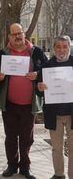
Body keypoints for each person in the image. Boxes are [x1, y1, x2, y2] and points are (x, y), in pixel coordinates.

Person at [0, 23, 47, 179]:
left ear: (24, 34)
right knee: (10, 137)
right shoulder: (3, 53)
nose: (17, 36)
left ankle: (25, 167)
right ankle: (12, 165)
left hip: (29, 104)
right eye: (14, 34)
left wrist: (37, 74)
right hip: (9, 104)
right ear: (9, 37)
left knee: (27, 138)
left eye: (20, 33)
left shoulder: (36, 52)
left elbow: (46, 70)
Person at [37, 36, 73, 179]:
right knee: (56, 147)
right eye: (58, 47)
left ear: (69, 47)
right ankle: (59, 174)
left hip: (72, 113)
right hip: (54, 114)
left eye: (65, 47)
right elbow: (38, 89)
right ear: (54, 48)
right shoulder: (47, 66)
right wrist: (39, 87)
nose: (61, 50)